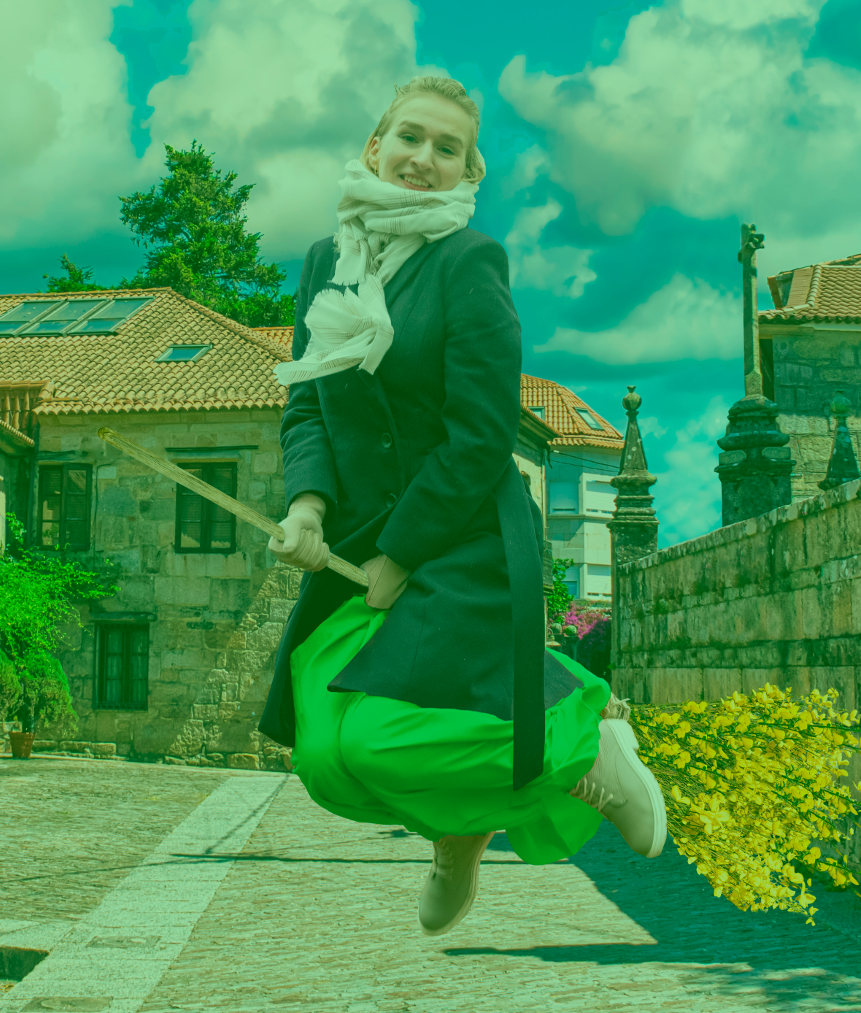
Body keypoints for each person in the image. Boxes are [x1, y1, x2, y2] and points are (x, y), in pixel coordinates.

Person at [259, 75, 668, 937]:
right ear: (375, 147)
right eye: (410, 137)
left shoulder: (470, 262)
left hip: (463, 539)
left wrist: (402, 552)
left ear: (467, 172)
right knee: (324, 755)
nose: (423, 158)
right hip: (356, 536)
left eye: (448, 148)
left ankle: (585, 746)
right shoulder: (325, 262)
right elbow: (306, 406)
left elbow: (481, 434)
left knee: (375, 739)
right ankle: (460, 824)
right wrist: (307, 509)